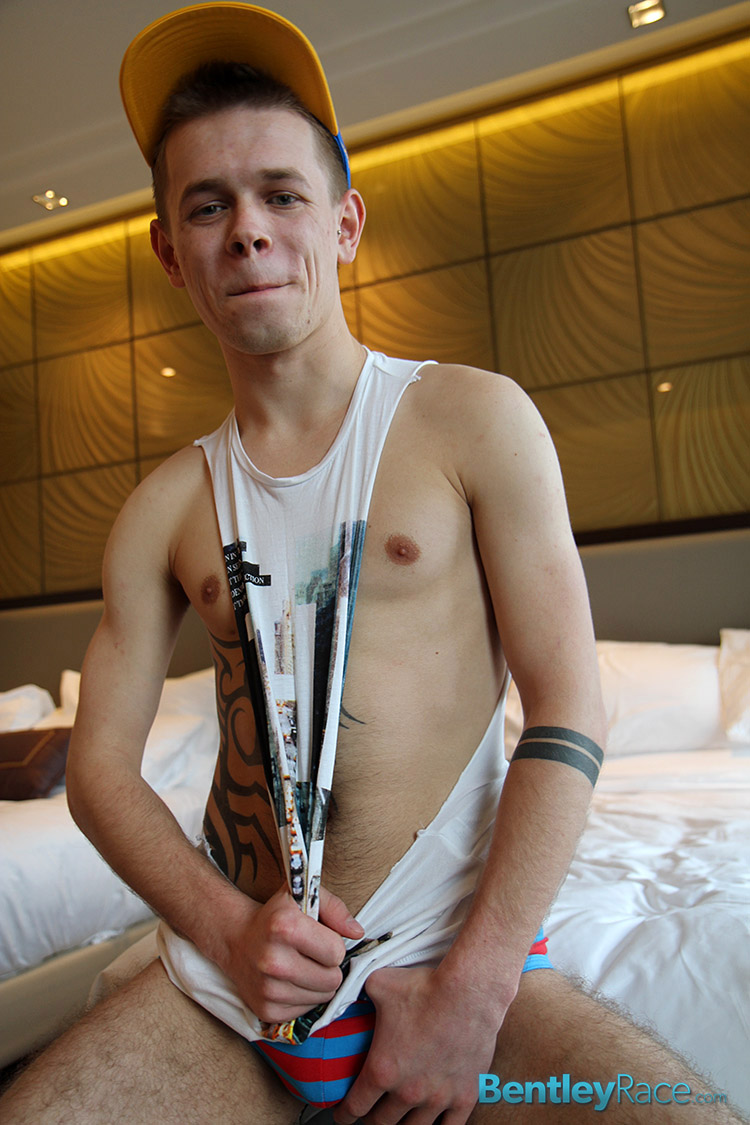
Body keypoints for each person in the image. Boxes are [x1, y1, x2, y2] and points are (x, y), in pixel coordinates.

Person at [1, 5, 744, 1123]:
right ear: (169, 252)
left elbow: (569, 704)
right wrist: (226, 932)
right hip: (239, 980)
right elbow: (101, 771)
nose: (247, 231)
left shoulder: (473, 419)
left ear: (344, 222)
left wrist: (477, 989)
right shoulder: (160, 512)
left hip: (455, 948)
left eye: (281, 194)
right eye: (207, 205)